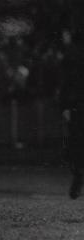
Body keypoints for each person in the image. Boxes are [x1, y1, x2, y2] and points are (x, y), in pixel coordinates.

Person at [60, 29, 84, 199]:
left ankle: (78, 175)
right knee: (76, 143)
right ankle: (78, 175)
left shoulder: (72, 54)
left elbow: (67, 82)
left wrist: (66, 106)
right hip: (78, 104)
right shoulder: (73, 55)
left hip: (77, 104)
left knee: (76, 144)